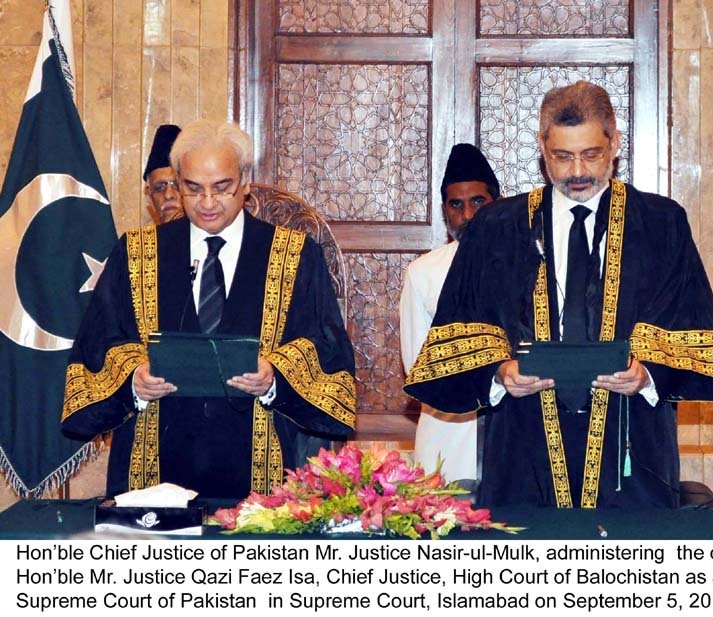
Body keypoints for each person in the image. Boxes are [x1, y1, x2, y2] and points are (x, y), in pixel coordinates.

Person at [405, 81, 713, 509]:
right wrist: (498, 375)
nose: (577, 171)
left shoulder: (661, 225)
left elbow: (689, 331)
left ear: (615, 143)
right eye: (562, 157)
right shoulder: (496, 228)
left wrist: (648, 374)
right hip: (522, 450)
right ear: (542, 148)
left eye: (591, 154)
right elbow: (459, 338)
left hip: (631, 451)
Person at [61, 120, 356, 499]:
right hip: (155, 473)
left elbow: (326, 350)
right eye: (193, 189)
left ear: (245, 182)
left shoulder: (295, 254)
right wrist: (134, 380)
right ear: (178, 184)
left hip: (263, 479)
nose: (207, 203)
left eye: (222, 188)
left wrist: (275, 375)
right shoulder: (137, 254)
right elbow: (97, 347)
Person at [400, 143, 500, 488]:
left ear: (496, 203)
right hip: (447, 427)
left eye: (478, 202)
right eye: (456, 205)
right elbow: (417, 363)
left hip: (513, 426)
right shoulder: (423, 272)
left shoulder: (528, 264)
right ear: (445, 212)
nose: (468, 215)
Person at [143, 124, 183, 224]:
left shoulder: (213, 238)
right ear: (150, 198)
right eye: (159, 187)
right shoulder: (135, 240)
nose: (168, 195)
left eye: (177, 186)